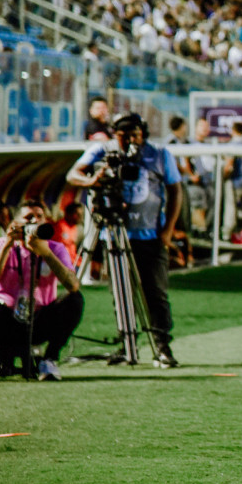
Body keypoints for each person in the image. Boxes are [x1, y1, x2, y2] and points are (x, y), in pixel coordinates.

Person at [66, 112, 182, 367]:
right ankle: (127, 343)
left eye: (135, 135)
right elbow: (72, 175)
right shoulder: (102, 151)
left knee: (155, 292)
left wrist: (168, 231)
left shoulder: (159, 155)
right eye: (123, 135)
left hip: (149, 234)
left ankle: (162, 345)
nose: (129, 140)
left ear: (143, 134)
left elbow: (175, 190)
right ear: (114, 133)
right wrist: (91, 180)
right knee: (120, 292)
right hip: (114, 233)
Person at [0, 200, 82, 383]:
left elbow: (73, 285)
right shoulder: (1, 244)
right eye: (28, 217)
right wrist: (8, 244)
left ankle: (49, 360)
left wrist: (46, 254)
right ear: (17, 222)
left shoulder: (55, 248)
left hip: (39, 320)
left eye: (38, 217)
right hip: (6, 319)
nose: (34, 221)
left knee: (75, 300)